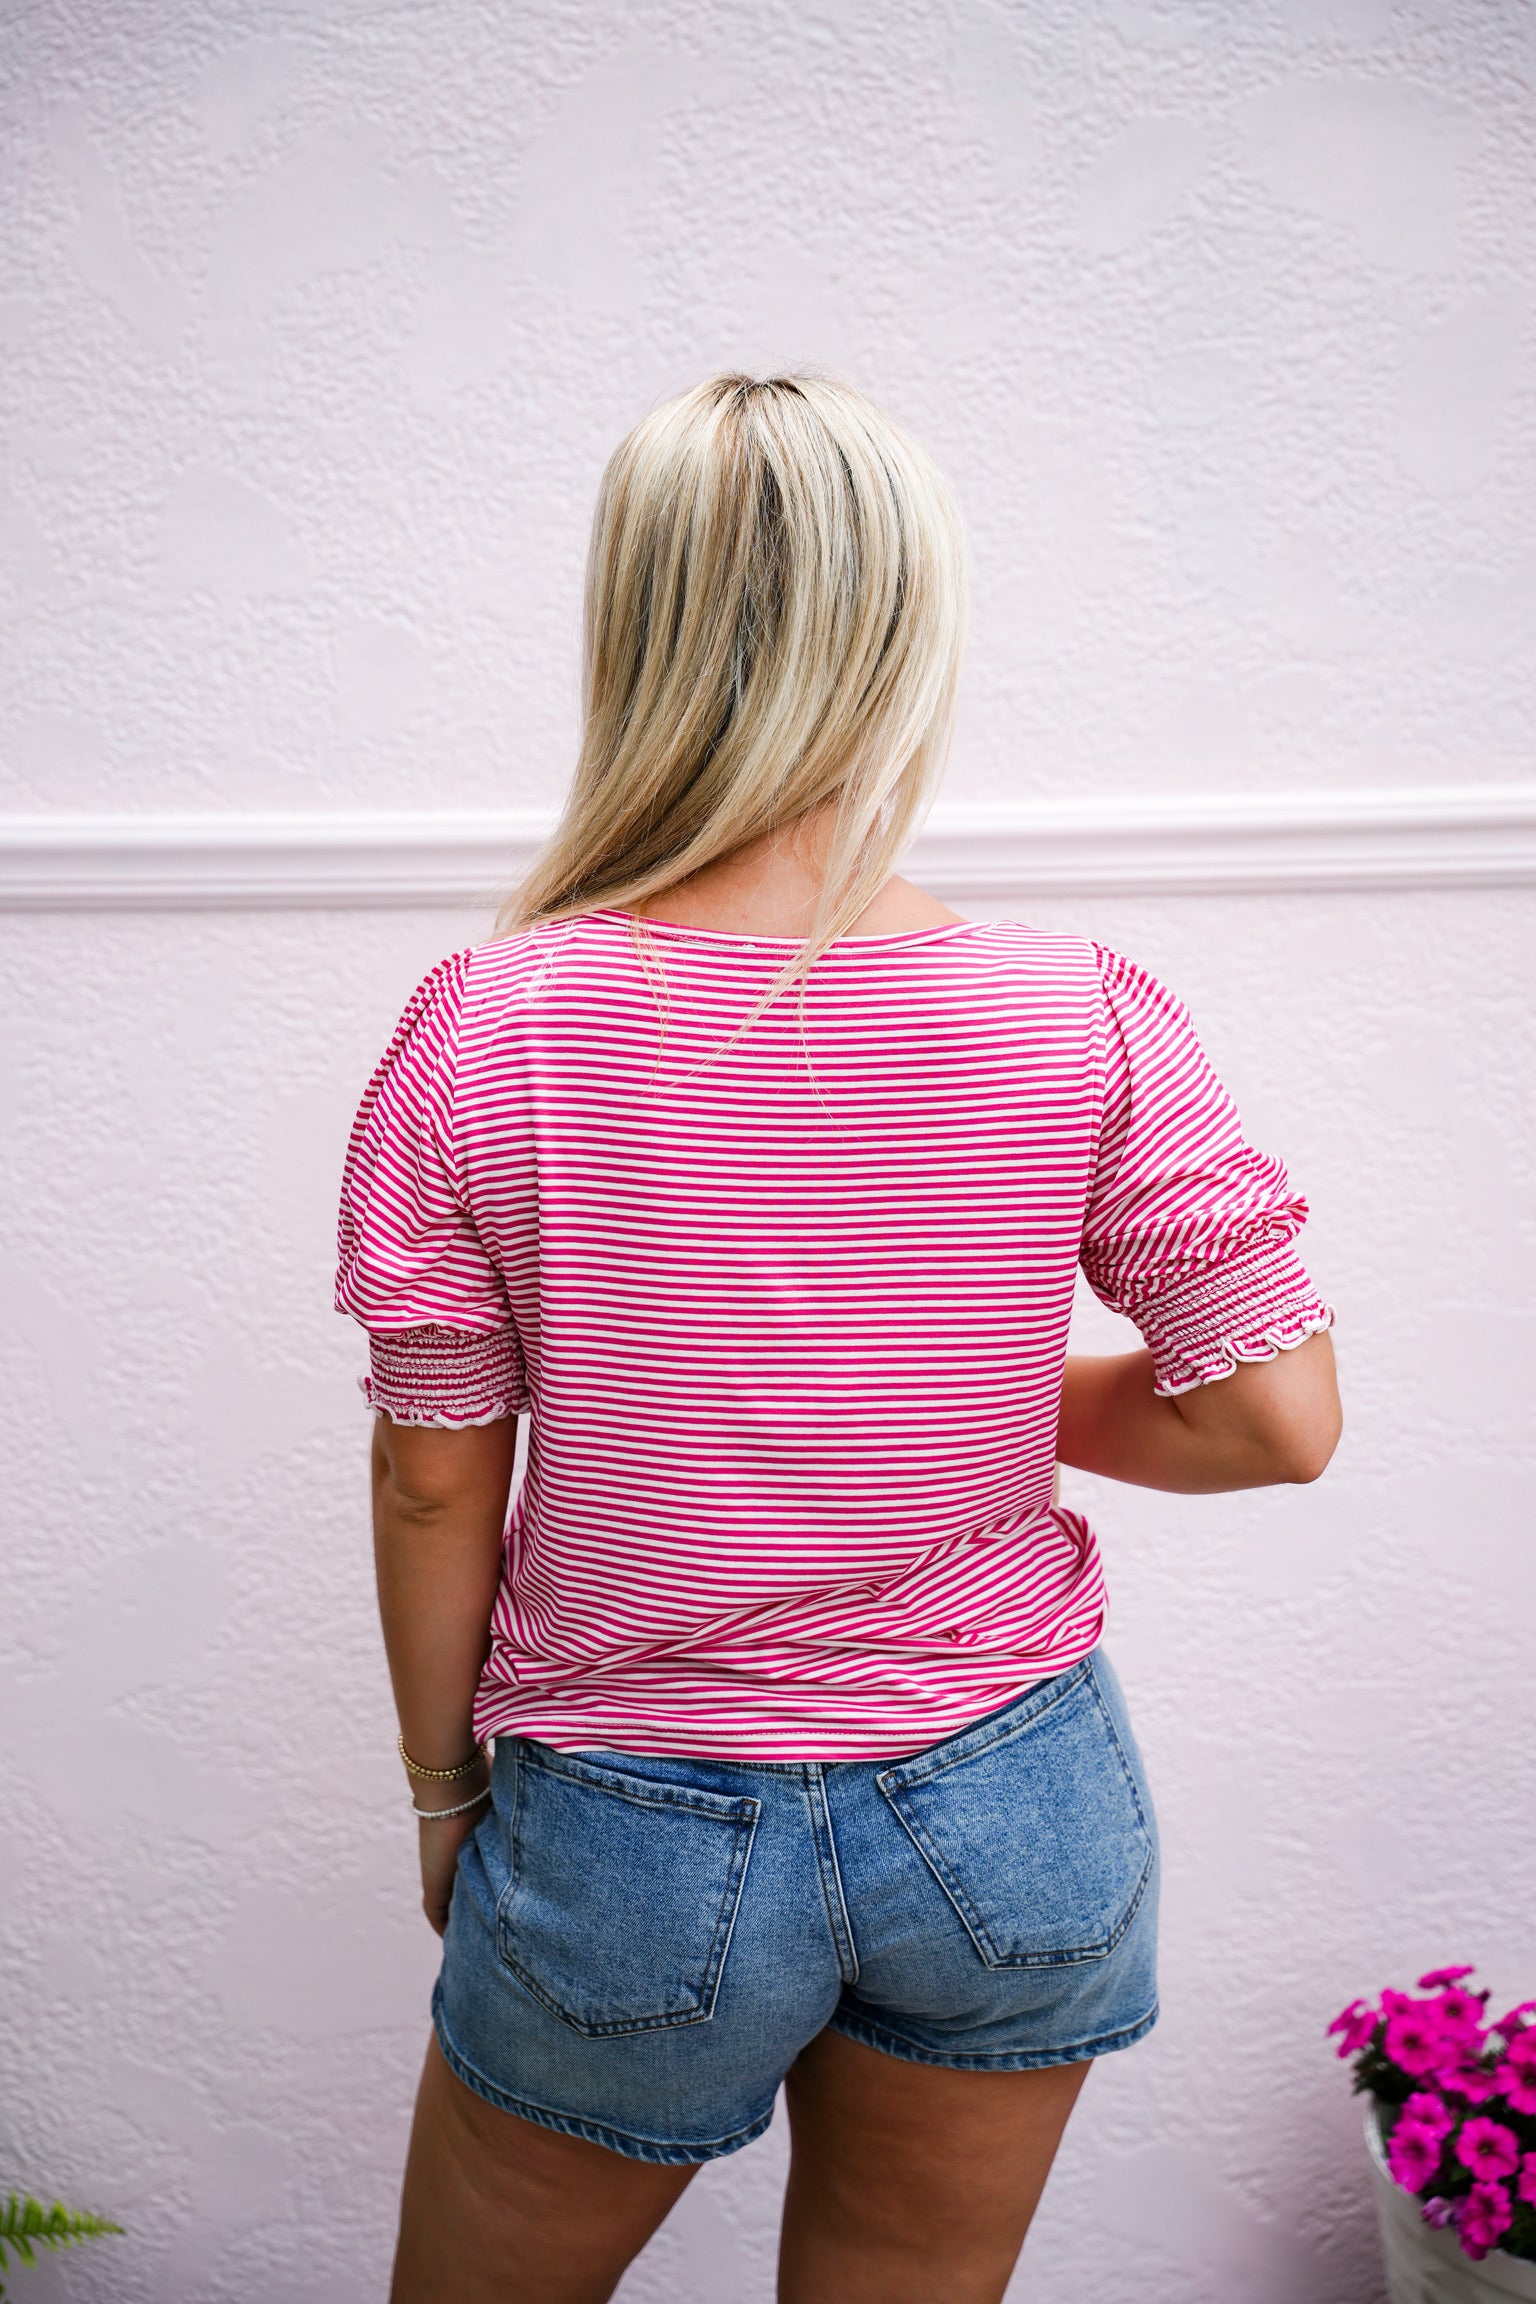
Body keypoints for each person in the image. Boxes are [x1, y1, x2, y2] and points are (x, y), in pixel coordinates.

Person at [334, 373, 1342, 2304]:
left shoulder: (489, 1022)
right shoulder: (1080, 1008)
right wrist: (938, 1385)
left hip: (635, 1821)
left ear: (633, 633)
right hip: (1020, 1806)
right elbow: (1274, 1421)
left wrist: (442, 1791)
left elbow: (431, 1466)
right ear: (904, 638)